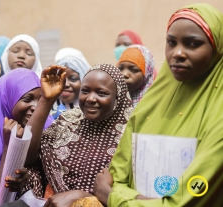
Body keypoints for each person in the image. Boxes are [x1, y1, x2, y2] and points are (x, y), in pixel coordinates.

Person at [94, 3, 223, 206]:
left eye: (193, 43)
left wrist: (116, 199)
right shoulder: (151, 103)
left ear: (217, 50)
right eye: (171, 42)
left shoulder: (218, 115)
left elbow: (183, 201)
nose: (178, 53)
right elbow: (116, 177)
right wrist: (146, 201)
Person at [23, 63, 133, 207]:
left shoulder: (130, 134)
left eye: (101, 93)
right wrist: (46, 100)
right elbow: (28, 155)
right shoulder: (68, 121)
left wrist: (83, 198)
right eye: (85, 91)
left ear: (118, 98)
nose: (91, 98)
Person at [0, 68, 54, 207]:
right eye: (27, 99)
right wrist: (9, 147)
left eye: (40, 99)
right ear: (6, 100)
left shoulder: (50, 127)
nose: (35, 107)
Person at [51, 49, 90, 119]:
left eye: (73, 79)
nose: (66, 84)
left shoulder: (92, 110)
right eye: (60, 79)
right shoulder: (46, 109)